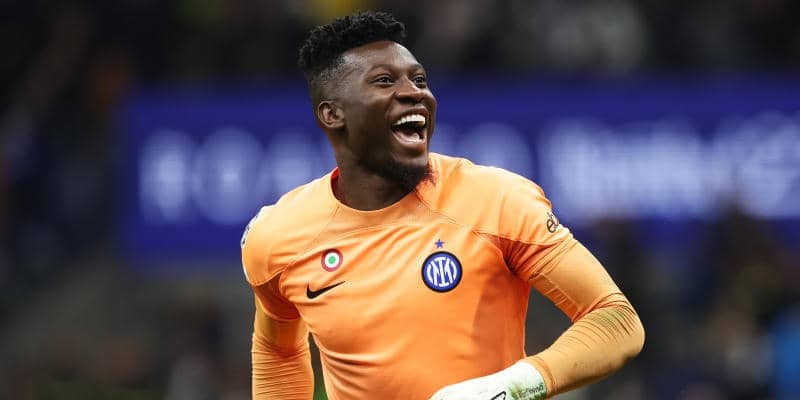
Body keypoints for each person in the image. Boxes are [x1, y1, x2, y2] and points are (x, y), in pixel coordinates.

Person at [240, 11, 644, 400]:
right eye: (384, 81)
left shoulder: (495, 200)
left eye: (419, 79)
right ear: (333, 114)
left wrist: (511, 387)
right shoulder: (279, 237)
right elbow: (279, 352)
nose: (414, 92)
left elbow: (616, 319)